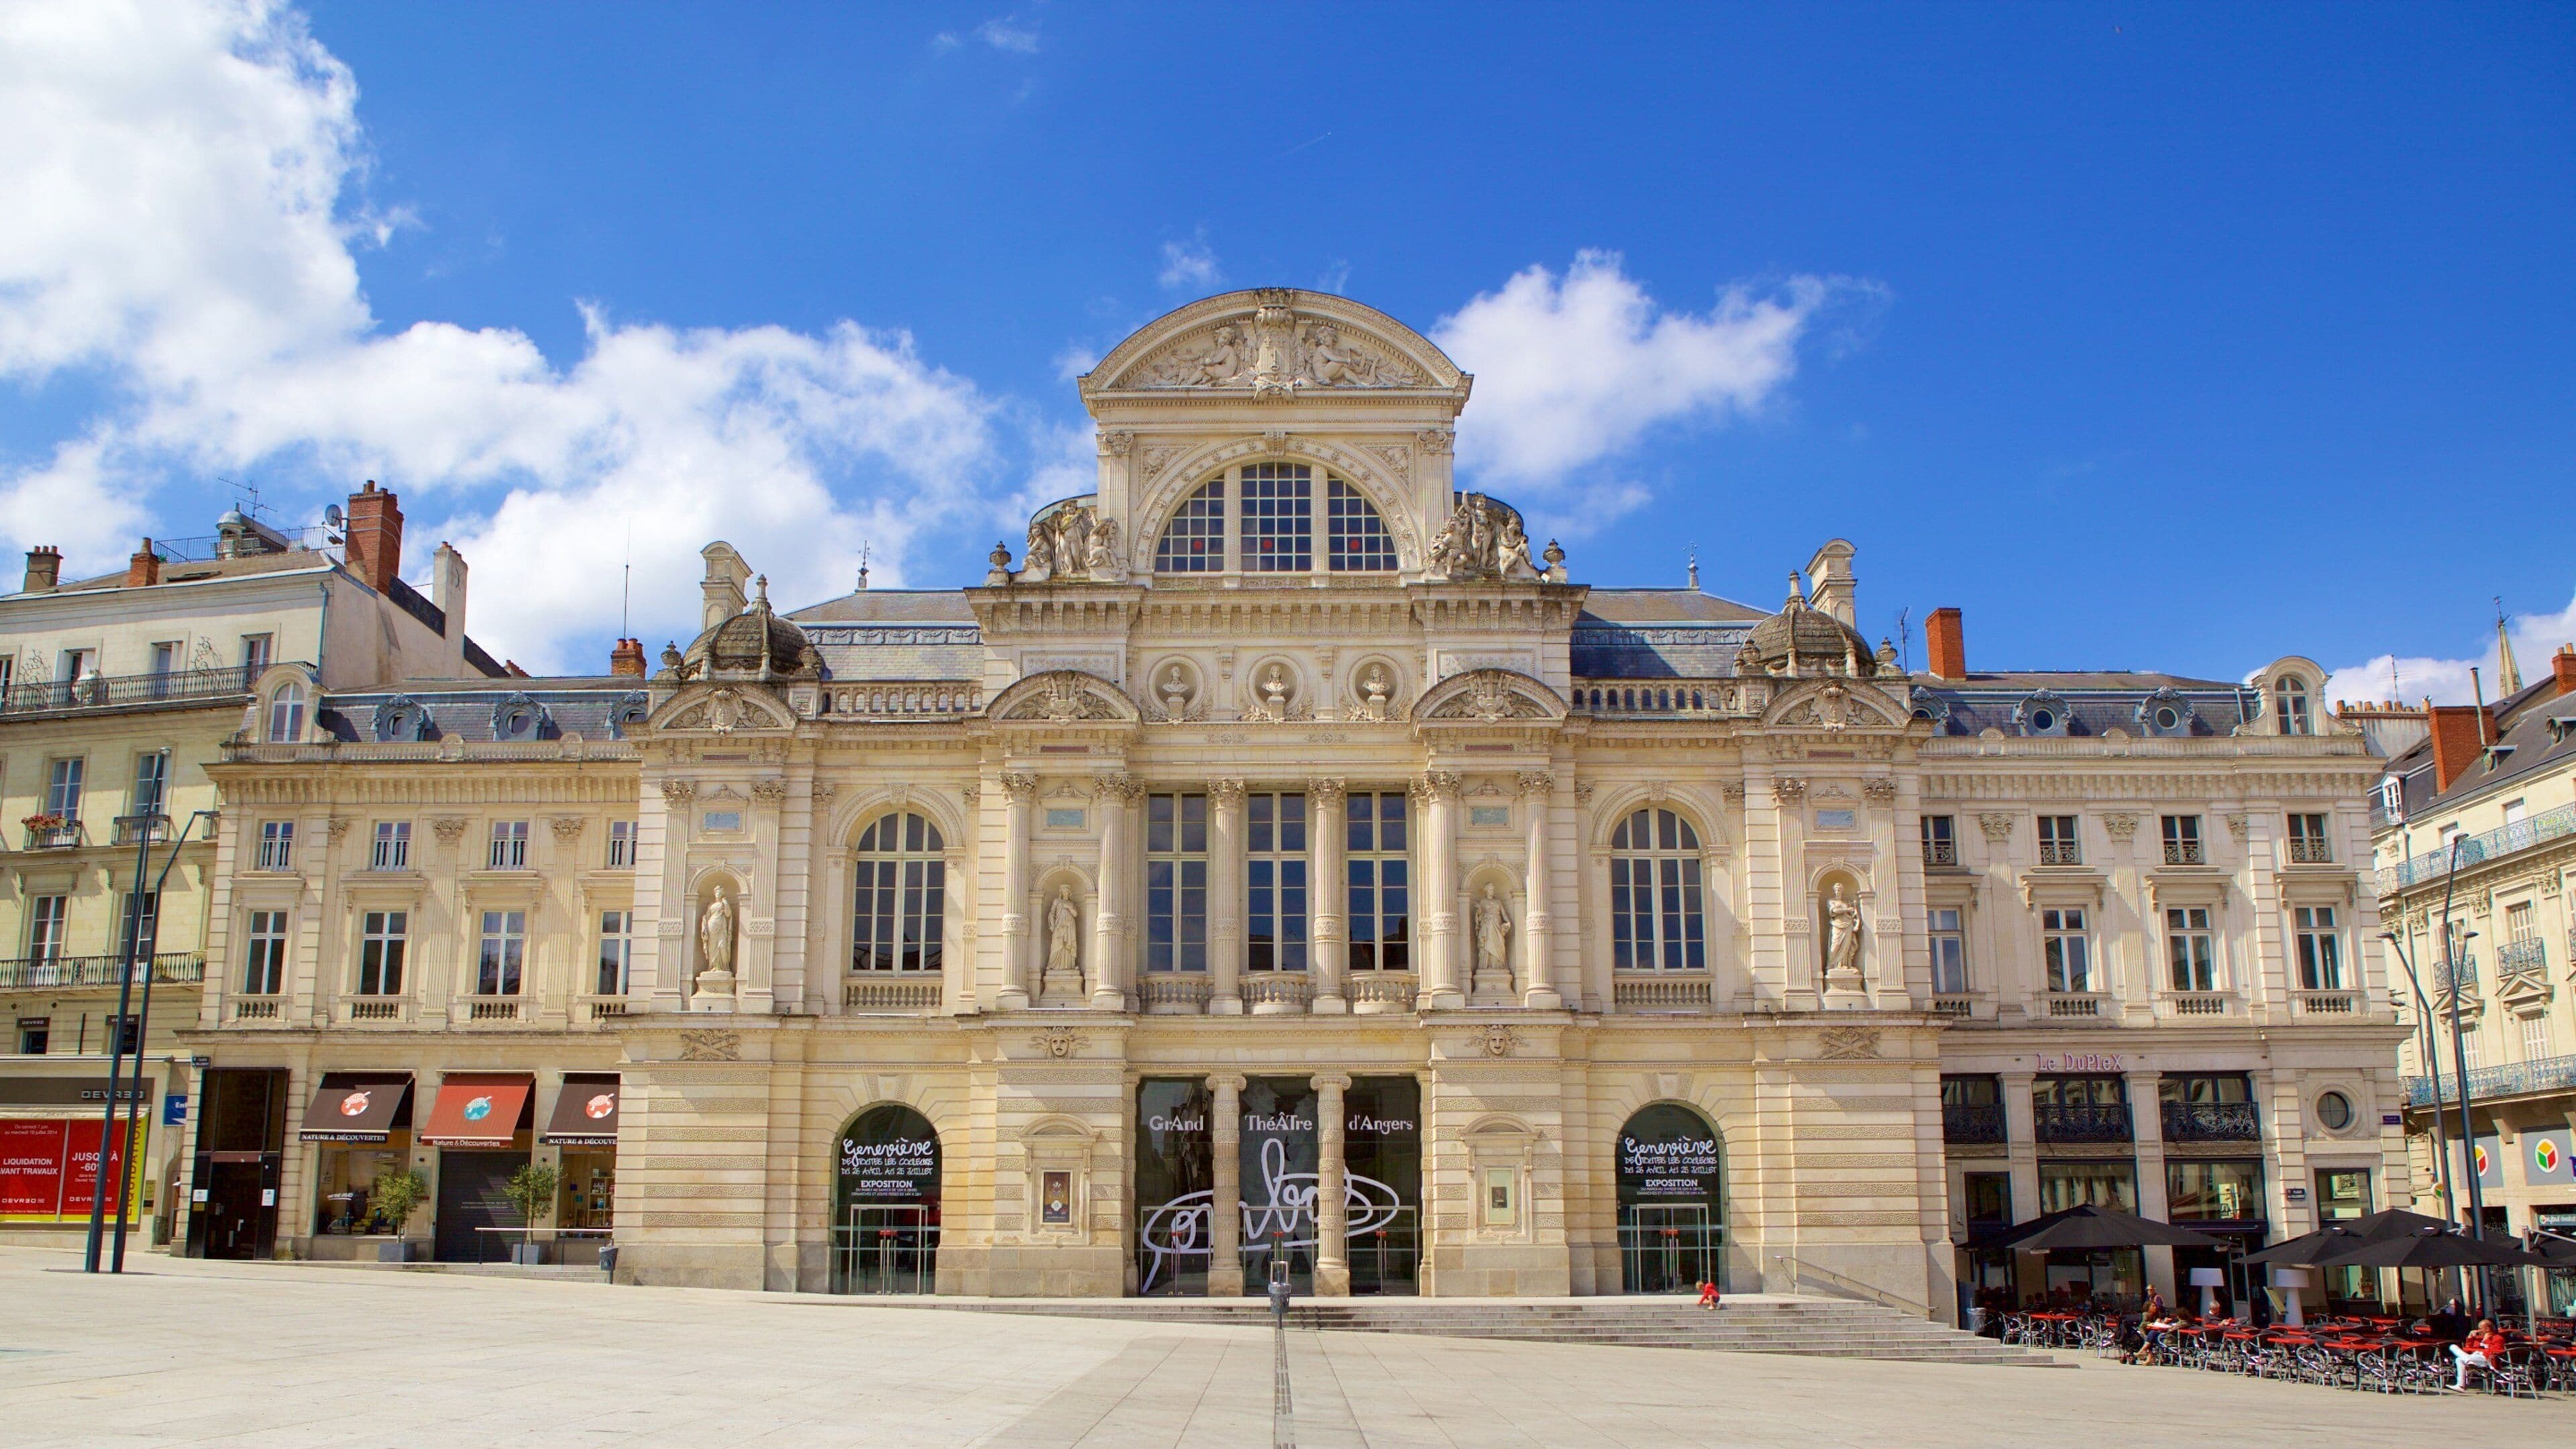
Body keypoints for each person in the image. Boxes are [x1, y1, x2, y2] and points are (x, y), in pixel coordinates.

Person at [2450, 1318, 2508, 1391]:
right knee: (2453, 1348)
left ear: (2487, 1329)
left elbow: (2496, 1352)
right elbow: (2469, 1350)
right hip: (2474, 1357)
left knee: (2459, 1359)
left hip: (2486, 1359)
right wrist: (2470, 1338)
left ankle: (2467, 1363)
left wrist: (2485, 1341)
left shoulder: (2498, 1338)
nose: (2479, 1330)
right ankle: (2460, 1385)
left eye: (2481, 1329)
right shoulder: (2478, 1338)